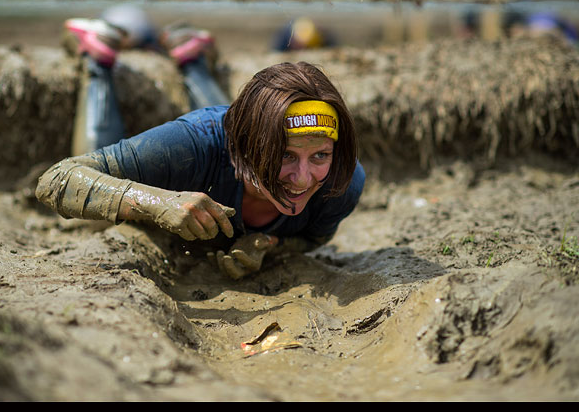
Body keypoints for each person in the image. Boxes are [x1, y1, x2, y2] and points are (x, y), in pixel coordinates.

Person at [35, 61, 366, 280]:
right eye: (285, 156)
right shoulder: (194, 144)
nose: (304, 179)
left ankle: (195, 63)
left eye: (320, 155)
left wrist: (271, 244)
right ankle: (97, 66)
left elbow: (313, 239)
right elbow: (58, 179)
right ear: (246, 145)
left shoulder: (342, 184)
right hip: (195, 149)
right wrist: (157, 203)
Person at [61, 6, 229, 156]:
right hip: (147, 32)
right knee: (232, 164)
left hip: (120, 19)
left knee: (96, 173)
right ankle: (192, 62)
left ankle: (97, 62)